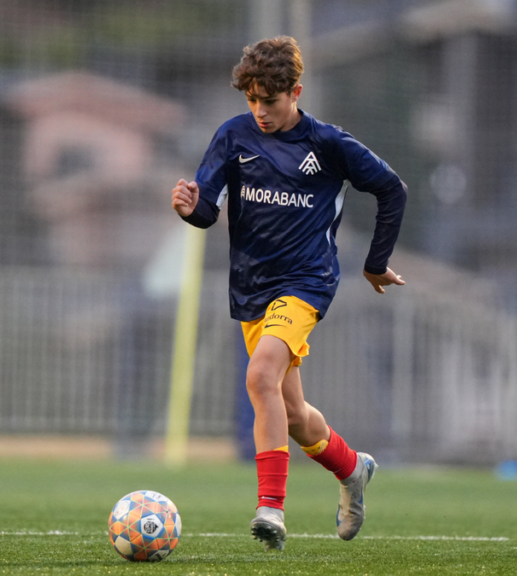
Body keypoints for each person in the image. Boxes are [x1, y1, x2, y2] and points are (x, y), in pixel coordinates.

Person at [170, 36, 407, 551]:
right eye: (252, 99)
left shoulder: (328, 144)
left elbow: (392, 188)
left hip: (306, 282)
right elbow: (208, 209)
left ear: (295, 93)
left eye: (270, 101)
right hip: (252, 288)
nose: (259, 111)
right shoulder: (232, 136)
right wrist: (190, 208)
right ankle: (352, 469)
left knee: (259, 377)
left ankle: (271, 509)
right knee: (294, 414)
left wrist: (375, 263)